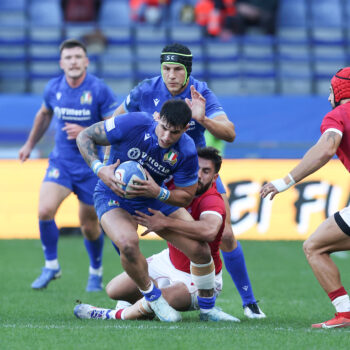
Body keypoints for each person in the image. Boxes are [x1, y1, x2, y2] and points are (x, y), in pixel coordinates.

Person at [110, 42, 265, 319]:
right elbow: (115, 123)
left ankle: (249, 302)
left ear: (187, 71)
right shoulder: (146, 89)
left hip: (191, 175)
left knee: (225, 233)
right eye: (166, 68)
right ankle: (138, 292)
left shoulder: (200, 92)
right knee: (126, 231)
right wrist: (110, 166)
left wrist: (203, 118)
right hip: (152, 172)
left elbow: (229, 132)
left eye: (177, 69)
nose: (171, 75)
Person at [76, 99, 236, 322]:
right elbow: (84, 136)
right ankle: (155, 299)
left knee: (200, 250)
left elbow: (185, 196)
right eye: (164, 128)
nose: (166, 137)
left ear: (185, 129)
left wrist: (157, 192)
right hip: (112, 193)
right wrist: (100, 169)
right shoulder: (133, 123)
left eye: (175, 133)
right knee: (128, 244)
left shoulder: (187, 150)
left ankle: (208, 310)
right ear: (157, 118)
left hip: (152, 196)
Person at [19, 39, 118, 292]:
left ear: (86, 61)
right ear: (61, 63)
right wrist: (30, 144)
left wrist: (88, 134)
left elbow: (112, 127)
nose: (73, 61)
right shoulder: (53, 88)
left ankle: (95, 272)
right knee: (44, 210)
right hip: (61, 162)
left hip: (90, 166)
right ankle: (51, 265)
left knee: (89, 225)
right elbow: (43, 114)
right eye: (68, 57)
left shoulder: (99, 89)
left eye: (78, 57)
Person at [260, 67, 350, 329]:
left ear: (338, 91)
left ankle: (345, 312)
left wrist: (285, 181)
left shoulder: (338, 115)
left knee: (315, 247)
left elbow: (327, 146)